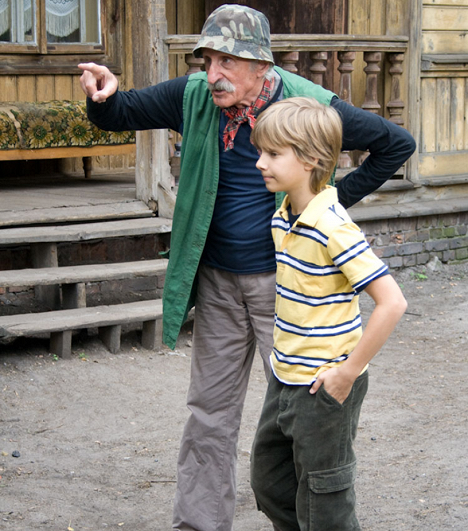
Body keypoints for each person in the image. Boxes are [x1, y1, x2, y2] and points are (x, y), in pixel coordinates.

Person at [78, 5, 415, 530]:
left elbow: (396, 145)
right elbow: (122, 112)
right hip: (217, 282)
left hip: (286, 287)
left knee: (302, 417)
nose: (213, 74)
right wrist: (101, 95)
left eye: (227, 62)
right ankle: (198, 524)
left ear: (262, 66)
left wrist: (325, 203)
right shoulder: (193, 96)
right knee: (208, 413)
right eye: (207, 59)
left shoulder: (310, 106)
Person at [249, 97, 408, 531]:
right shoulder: (283, 216)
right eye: (260, 151)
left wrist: (348, 372)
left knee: (326, 501)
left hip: (325, 384)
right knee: (271, 483)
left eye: (273, 154)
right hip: (284, 377)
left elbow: (393, 302)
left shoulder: (332, 226)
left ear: (311, 160)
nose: (260, 162)